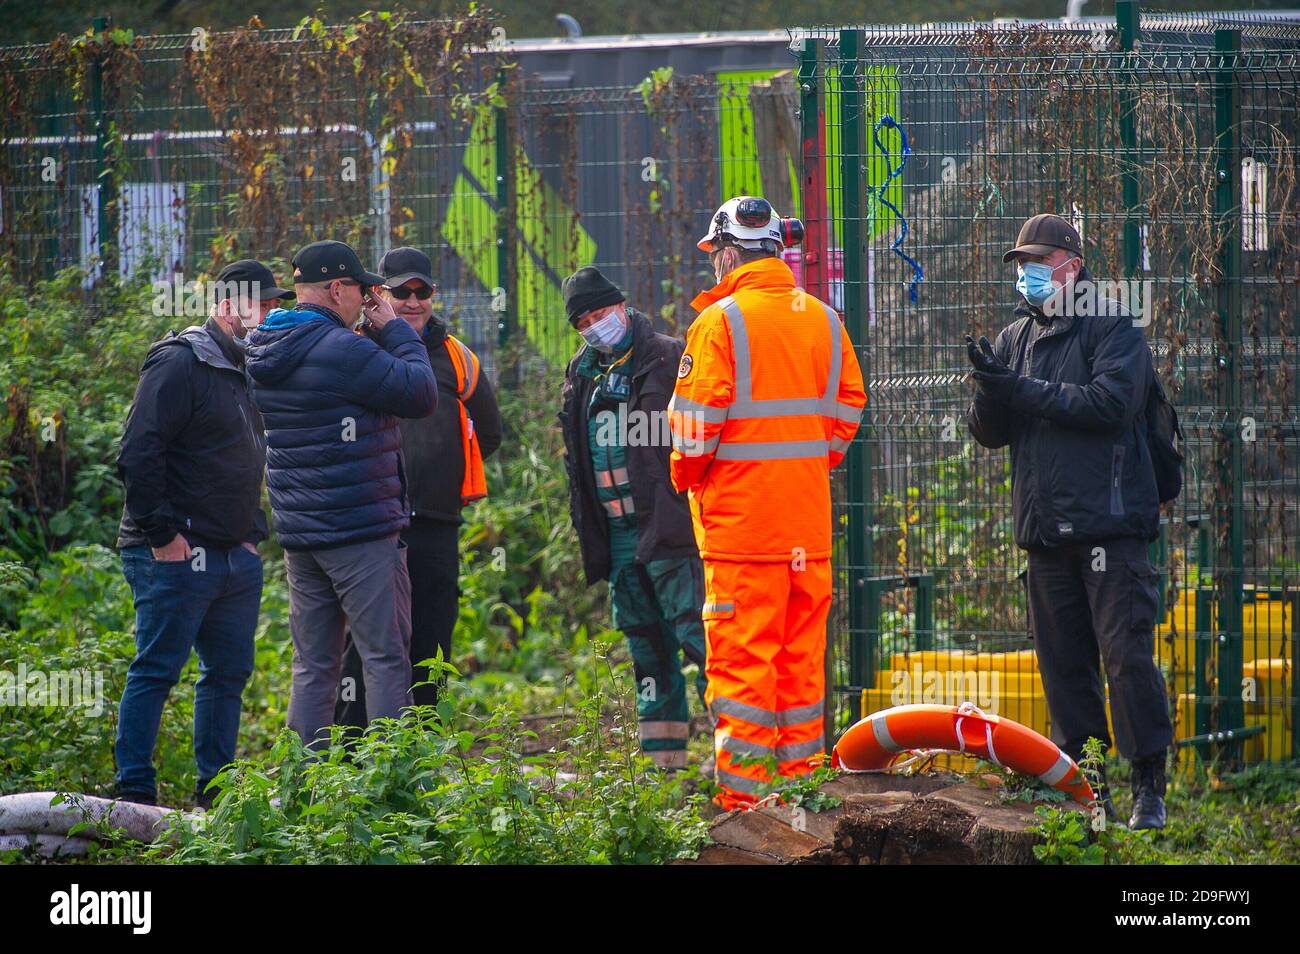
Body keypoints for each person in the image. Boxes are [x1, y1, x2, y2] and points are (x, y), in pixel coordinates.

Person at [966, 212, 1173, 830]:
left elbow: (1110, 405)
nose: (1026, 275)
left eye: (1036, 263)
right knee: (1064, 672)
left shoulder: (1113, 326)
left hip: (1111, 531)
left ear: (1072, 266)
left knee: (1127, 659)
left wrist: (1019, 389)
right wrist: (988, 387)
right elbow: (990, 434)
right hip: (1044, 534)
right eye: (1020, 266)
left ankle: (1148, 788)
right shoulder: (1015, 338)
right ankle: (1089, 792)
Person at [668, 196, 866, 809]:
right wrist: (802, 465)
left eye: (714, 256)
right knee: (800, 670)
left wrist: (692, 476)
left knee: (744, 671)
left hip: (743, 535)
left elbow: (691, 439)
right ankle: (803, 799)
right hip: (806, 529)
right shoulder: (825, 319)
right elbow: (847, 411)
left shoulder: (718, 323)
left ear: (727, 251)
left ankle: (748, 817)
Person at [115, 259, 293, 808]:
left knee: (228, 674)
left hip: (232, 555)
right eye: (259, 304)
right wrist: (163, 536)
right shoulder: (179, 362)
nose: (269, 313)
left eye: (272, 304)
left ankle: (214, 792)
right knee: (158, 667)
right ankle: (135, 794)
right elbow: (137, 453)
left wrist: (249, 536)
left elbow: (245, 457)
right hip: (172, 552)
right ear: (224, 307)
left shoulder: (247, 366)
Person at [244, 240, 436, 748]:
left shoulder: (265, 346)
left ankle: (305, 785)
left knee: (313, 665)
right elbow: (420, 392)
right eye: (361, 288)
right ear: (337, 288)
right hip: (360, 529)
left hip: (301, 534)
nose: (368, 296)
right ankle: (394, 783)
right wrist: (393, 327)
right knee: (385, 655)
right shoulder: (344, 350)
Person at [334, 247, 502, 726]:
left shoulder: (457, 358)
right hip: (371, 522)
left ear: (432, 295)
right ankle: (349, 753)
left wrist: (442, 474)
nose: (412, 301)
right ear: (378, 294)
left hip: (436, 523)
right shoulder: (355, 347)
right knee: (368, 637)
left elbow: (489, 432)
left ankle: (424, 745)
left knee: (433, 639)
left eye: (421, 291)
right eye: (400, 291)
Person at [558, 266, 707, 770]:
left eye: (600, 313)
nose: (594, 325)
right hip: (617, 533)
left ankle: (742, 754)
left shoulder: (667, 356)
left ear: (621, 306)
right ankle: (665, 768)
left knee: (698, 637)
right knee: (646, 648)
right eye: (583, 321)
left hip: (669, 526)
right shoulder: (581, 373)